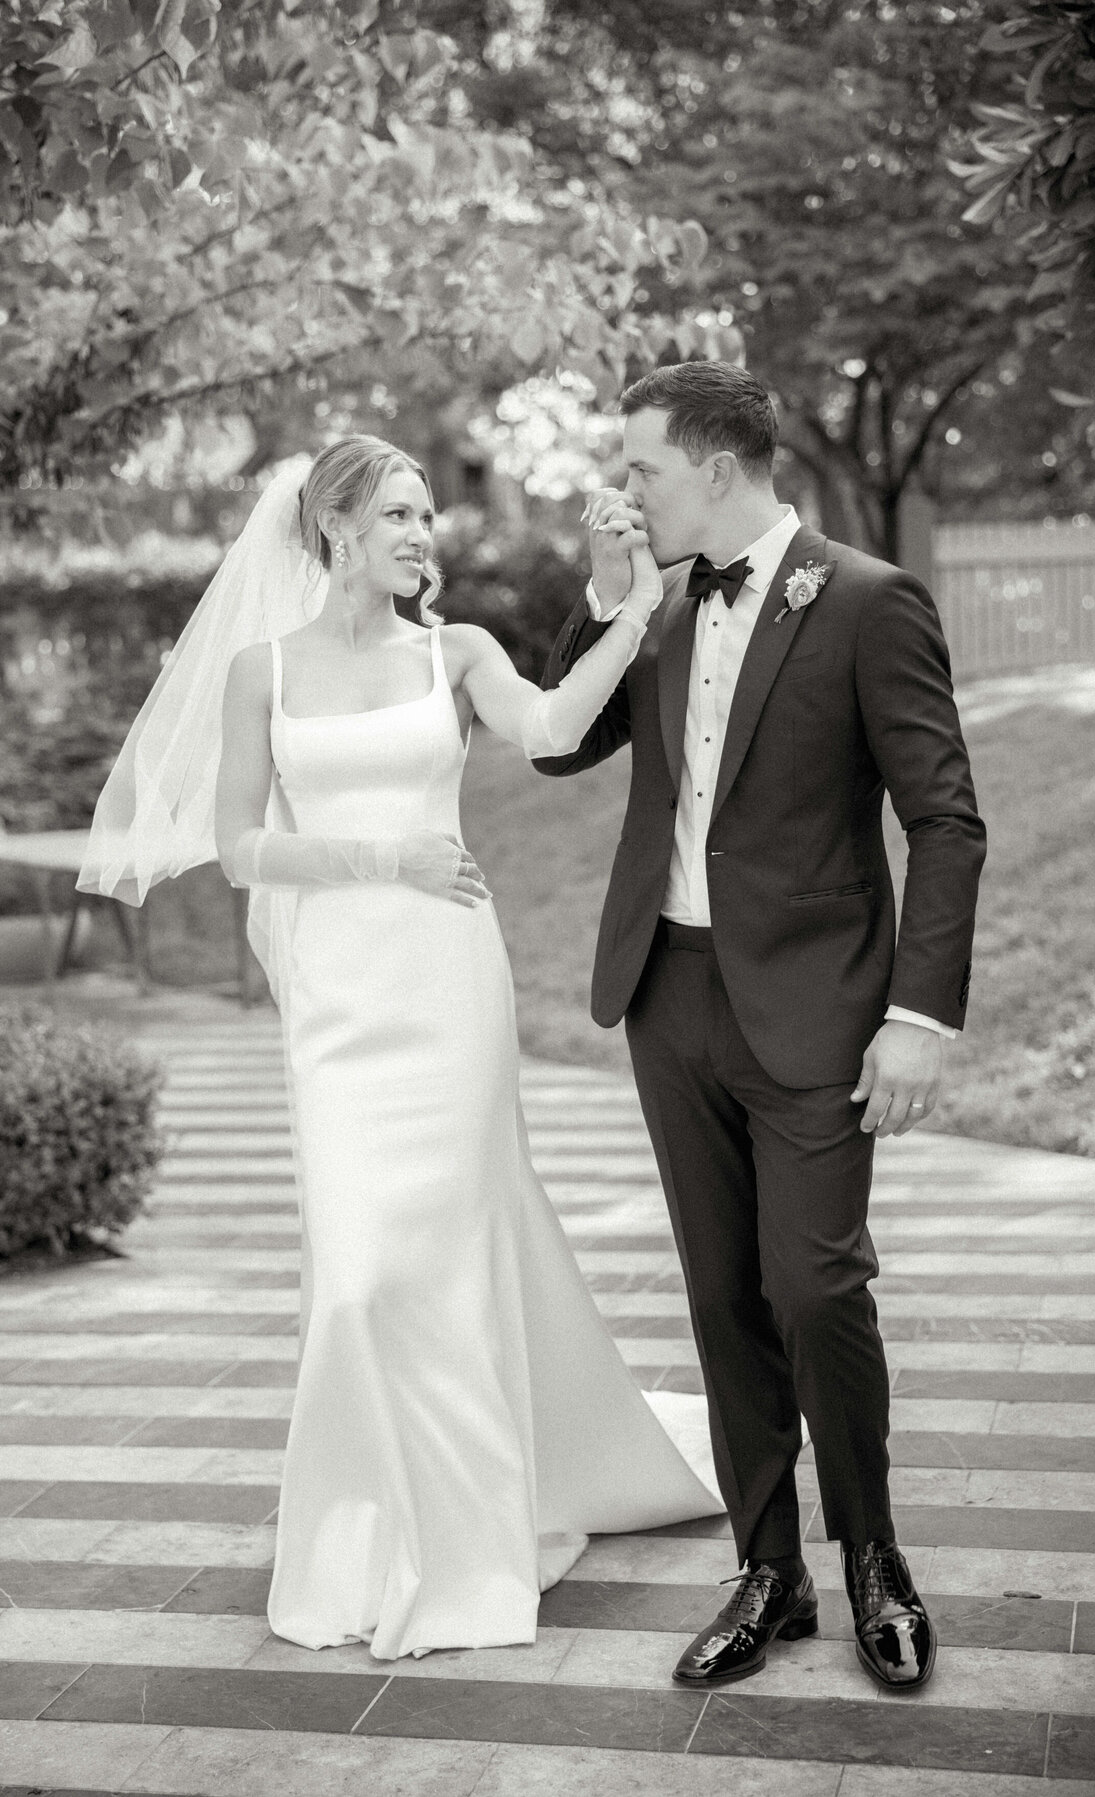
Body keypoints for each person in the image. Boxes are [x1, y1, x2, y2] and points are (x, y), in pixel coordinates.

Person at [79, 433, 723, 1662]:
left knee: (450, 1247)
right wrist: (382, 858)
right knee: (363, 1271)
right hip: (340, 994)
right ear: (332, 529)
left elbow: (545, 733)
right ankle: (366, 1522)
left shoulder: (458, 651)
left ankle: (470, 1534)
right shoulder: (262, 670)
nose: (422, 536)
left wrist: (632, 610)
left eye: (428, 515)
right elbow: (237, 845)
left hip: (446, 984)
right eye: (396, 517)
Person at [533, 361, 986, 1692]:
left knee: (815, 1285)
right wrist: (615, 607)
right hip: (667, 998)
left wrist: (918, 1013)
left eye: (641, 471)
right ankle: (770, 1568)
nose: (625, 494)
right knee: (724, 1295)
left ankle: (874, 1559)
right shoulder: (656, 606)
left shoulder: (867, 600)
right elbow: (561, 746)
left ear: (718, 468)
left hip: (822, 1010)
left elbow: (945, 817)